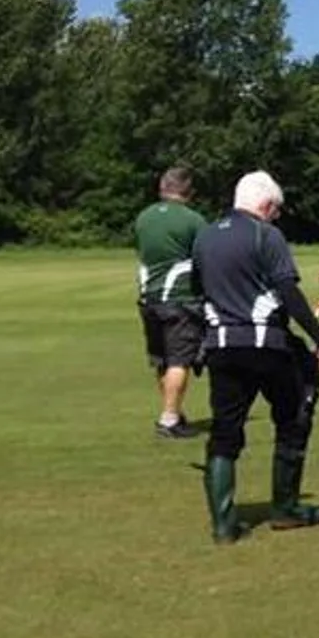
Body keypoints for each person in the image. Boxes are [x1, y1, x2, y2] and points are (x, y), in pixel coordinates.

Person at [193, 171, 319, 545]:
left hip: (221, 347)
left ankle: (223, 526)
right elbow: (289, 295)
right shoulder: (266, 235)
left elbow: (198, 294)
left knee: (225, 433)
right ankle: (286, 508)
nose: (277, 217)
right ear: (265, 205)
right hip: (265, 346)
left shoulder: (205, 236)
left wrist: (200, 344)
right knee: (295, 414)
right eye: (275, 211)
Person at [134, 167, 207, 439]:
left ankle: (173, 409)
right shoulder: (193, 220)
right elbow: (205, 257)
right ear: (188, 190)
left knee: (162, 358)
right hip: (179, 297)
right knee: (180, 359)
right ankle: (168, 419)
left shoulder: (144, 217)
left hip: (148, 296)